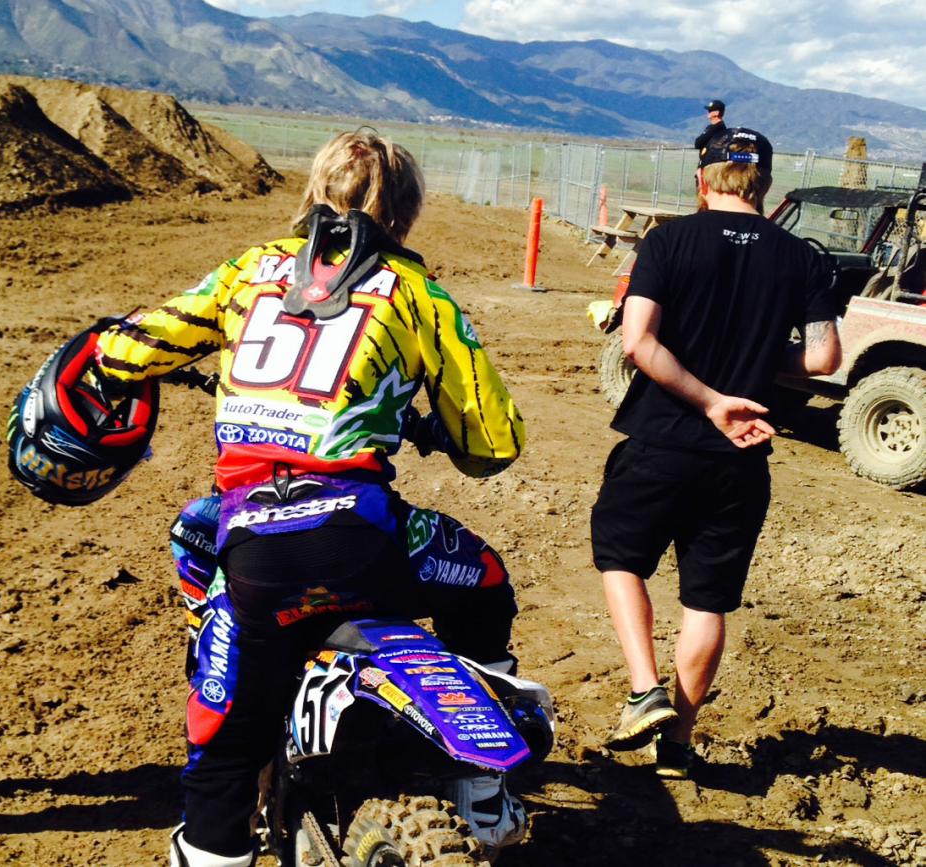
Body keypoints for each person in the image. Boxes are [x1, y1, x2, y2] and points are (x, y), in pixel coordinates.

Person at [92, 129, 530, 866]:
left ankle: (215, 844)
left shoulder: (249, 270)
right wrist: (422, 422)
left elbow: (126, 348)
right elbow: (493, 445)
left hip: (255, 542)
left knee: (226, 737)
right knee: (484, 582)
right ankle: (478, 783)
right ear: (407, 211)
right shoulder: (421, 295)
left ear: (314, 192)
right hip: (365, 538)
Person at [590, 128, 842, 779]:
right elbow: (823, 357)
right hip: (741, 459)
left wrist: (708, 397)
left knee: (621, 559)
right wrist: (754, 365)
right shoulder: (802, 257)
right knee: (706, 601)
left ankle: (644, 689)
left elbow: (638, 342)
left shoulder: (668, 241)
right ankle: (678, 742)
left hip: (661, 441)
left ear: (703, 179)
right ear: (767, 184)